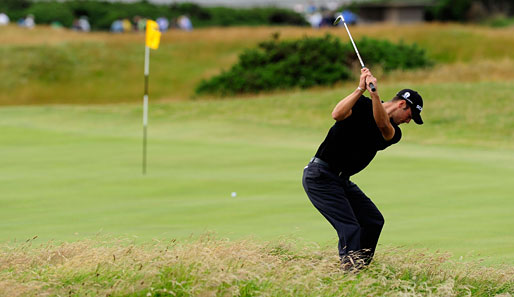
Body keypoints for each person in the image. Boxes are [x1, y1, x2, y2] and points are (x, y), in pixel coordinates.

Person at [302, 68, 424, 270]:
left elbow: (382, 125)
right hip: (320, 176)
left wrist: (374, 95)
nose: (409, 120)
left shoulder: (394, 132)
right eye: (411, 115)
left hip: (341, 180)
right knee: (350, 227)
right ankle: (349, 275)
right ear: (402, 104)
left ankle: (360, 270)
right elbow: (337, 114)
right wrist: (360, 88)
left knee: (373, 221)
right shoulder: (361, 104)